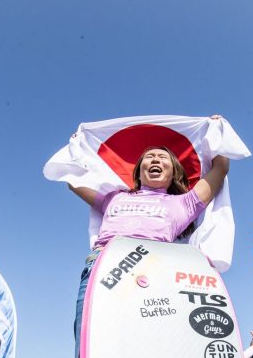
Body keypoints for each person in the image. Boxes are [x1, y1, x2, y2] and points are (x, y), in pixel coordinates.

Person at [70, 138, 231, 347]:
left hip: (151, 270)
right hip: (103, 267)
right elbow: (72, 181)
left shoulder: (185, 203)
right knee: (91, 343)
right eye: (150, 157)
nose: (155, 159)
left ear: (174, 172)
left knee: (146, 344)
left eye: (163, 157)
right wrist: (78, 146)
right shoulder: (113, 198)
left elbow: (220, 168)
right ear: (138, 172)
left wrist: (217, 132)